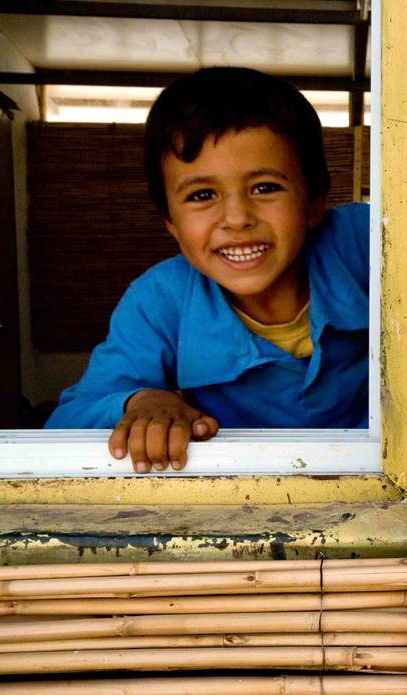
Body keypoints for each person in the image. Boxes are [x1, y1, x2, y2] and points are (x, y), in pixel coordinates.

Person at [46, 67, 370, 474]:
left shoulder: (368, 245)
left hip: (383, 482)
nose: (236, 219)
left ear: (314, 201)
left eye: (265, 187)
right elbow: (67, 422)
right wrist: (142, 401)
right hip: (238, 498)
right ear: (170, 221)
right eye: (202, 195)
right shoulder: (160, 299)